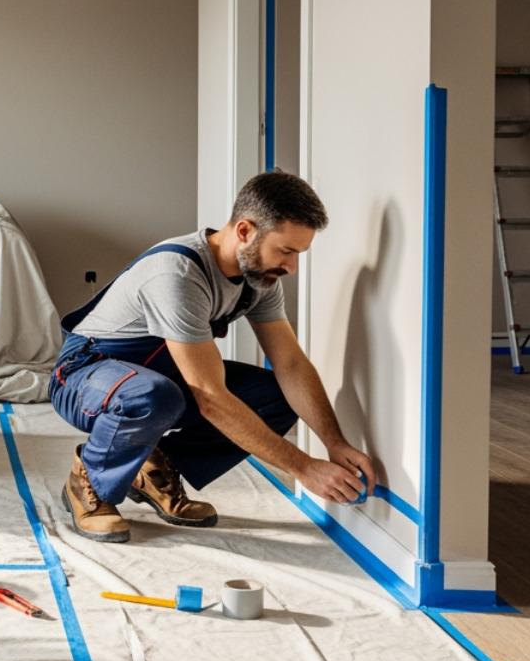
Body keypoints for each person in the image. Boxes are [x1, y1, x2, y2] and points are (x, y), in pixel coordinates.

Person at [48, 170, 375, 543]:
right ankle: (90, 478)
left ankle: (153, 467)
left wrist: (334, 443)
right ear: (245, 231)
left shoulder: (259, 279)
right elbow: (210, 397)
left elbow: (292, 365)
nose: (291, 267)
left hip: (159, 376)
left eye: (299, 254)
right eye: (286, 251)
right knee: (153, 397)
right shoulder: (178, 274)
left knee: (275, 396)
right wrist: (303, 467)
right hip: (85, 373)